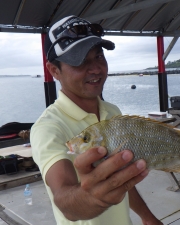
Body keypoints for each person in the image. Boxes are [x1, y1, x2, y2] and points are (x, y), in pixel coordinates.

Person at [30, 15, 162, 225]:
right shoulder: (48, 128)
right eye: (80, 61)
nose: (95, 68)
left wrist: (147, 216)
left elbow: (121, 179)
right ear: (54, 70)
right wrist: (91, 198)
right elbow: (64, 200)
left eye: (99, 56)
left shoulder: (112, 111)